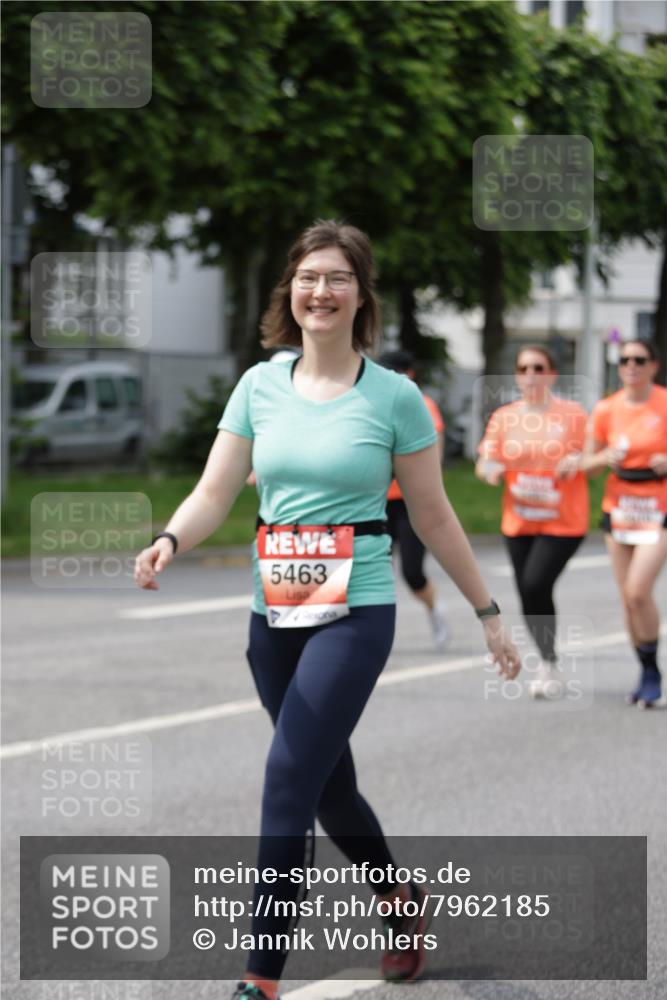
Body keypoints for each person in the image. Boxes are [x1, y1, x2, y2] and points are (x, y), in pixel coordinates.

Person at [134, 220, 520, 1000]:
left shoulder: (393, 396)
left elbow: (434, 515)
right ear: (291, 291)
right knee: (326, 785)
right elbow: (214, 490)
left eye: (338, 277)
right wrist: (170, 538)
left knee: (286, 778)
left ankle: (259, 979)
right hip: (272, 611)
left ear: (360, 295)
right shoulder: (259, 386)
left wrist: (486, 611)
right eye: (308, 277)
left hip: (356, 608)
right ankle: (399, 901)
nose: (321, 290)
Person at [475, 345, 589, 699]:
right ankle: (548, 661)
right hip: (519, 521)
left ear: (552, 374)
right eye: (524, 368)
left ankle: (549, 662)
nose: (531, 375)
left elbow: (593, 457)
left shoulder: (572, 415)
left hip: (563, 521)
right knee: (527, 592)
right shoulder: (505, 417)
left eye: (538, 368)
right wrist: (490, 471)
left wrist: (578, 460)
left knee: (536, 583)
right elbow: (484, 460)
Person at [574, 339, 667, 707]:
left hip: (658, 508)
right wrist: (604, 458)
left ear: (653, 366)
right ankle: (644, 669)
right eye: (625, 359)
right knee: (627, 600)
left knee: (638, 591)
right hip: (620, 507)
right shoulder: (606, 408)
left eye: (639, 360)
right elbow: (586, 466)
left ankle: (652, 669)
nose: (631, 366)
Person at [378, 349, 449, 650]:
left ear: (410, 374)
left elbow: (435, 450)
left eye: (397, 372)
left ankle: (434, 610)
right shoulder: (375, 402)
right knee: (374, 572)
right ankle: (373, 632)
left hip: (410, 502)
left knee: (412, 572)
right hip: (377, 501)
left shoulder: (422, 404)